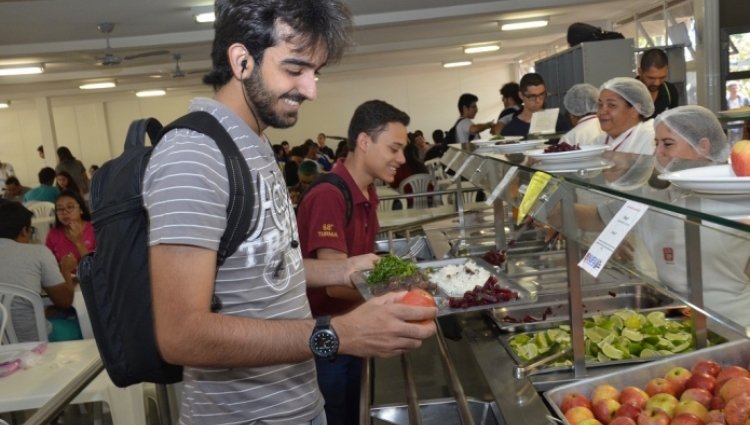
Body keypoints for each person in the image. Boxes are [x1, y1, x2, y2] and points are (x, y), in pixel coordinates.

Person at [141, 2, 437, 424]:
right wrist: (337, 334)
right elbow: (181, 335)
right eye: (295, 69)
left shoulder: (253, 142)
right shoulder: (194, 154)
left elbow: (266, 267)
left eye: (315, 72)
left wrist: (345, 269)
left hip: (299, 406)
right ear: (242, 61)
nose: (311, 89)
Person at [573, 106, 750, 327]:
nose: (657, 153)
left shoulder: (737, 193)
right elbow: (595, 218)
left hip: (737, 323)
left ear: (702, 147)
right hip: (676, 317)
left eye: (667, 144)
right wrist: (549, 204)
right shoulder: (651, 194)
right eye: (656, 144)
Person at [298, 100, 409, 425]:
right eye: (394, 148)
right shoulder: (330, 196)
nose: (401, 159)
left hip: (353, 330)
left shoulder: (366, 192)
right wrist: (400, 291)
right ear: (364, 142)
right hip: (327, 340)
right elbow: (335, 283)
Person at [0, 200, 79, 342]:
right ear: (24, 230)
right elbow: (65, 301)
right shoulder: (38, 253)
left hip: (3, 348)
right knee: (80, 324)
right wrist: (65, 270)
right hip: (36, 341)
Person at [591, 77, 656, 155]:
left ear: (635, 110)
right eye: (600, 105)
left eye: (611, 105)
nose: (602, 111)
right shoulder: (597, 142)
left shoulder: (650, 138)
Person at [498, 73, 570, 136]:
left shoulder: (557, 119)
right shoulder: (511, 129)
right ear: (521, 95)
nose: (538, 100)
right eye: (532, 96)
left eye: (541, 95)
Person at [45, 190, 95, 264]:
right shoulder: (53, 234)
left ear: (81, 209)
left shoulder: (94, 229)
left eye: (70, 207)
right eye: (60, 209)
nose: (64, 212)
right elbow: (48, 264)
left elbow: (96, 266)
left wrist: (78, 242)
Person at [637, 48, 679, 119]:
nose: (657, 83)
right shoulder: (628, 94)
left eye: (662, 77)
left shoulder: (670, 92)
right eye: (651, 78)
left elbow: (673, 124)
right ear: (640, 72)